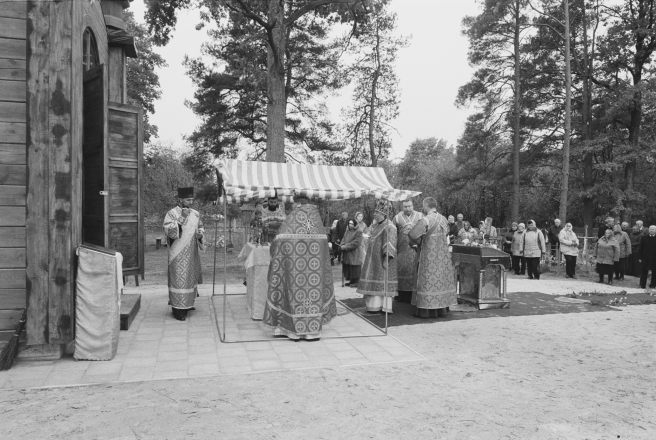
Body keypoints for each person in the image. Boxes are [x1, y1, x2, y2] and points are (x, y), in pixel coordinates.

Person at [262, 195, 336, 339]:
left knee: (292, 293)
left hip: (293, 268)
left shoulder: (293, 219)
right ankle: (312, 331)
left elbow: (278, 240)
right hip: (314, 272)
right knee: (312, 295)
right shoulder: (317, 221)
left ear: (298, 202)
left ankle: (290, 330)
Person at [409, 197, 457, 319]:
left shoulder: (425, 220)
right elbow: (446, 234)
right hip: (442, 257)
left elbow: (413, 235)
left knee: (427, 281)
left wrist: (417, 242)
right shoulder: (444, 219)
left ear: (426, 206)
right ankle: (442, 309)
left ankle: (426, 311)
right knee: (440, 281)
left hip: (428, 257)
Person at [163, 187, 205, 321]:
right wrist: (182, 218)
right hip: (177, 253)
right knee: (179, 279)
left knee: (189, 279)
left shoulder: (196, 214)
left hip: (191, 252)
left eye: (192, 199)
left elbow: (200, 227)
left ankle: (188, 303)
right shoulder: (171, 213)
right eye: (188, 199)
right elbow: (169, 231)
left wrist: (200, 235)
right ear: (180, 199)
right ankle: (178, 309)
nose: (190, 202)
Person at [357, 200, 398, 313]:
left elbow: (390, 243)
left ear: (383, 214)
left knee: (382, 282)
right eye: (375, 212)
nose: (374, 214)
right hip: (373, 260)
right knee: (374, 281)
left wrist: (386, 259)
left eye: (377, 212)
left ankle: (383, 306)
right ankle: (373, 306)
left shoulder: (390, 226)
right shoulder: (376, 225)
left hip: (383, 260)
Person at [392, 199, 423, 303]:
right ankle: (401, 295)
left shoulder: (420, 216)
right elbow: (392, 235)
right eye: (405, 206)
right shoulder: (397, 218)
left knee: (415, 272)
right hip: (402, 251)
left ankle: (414, 296)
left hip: (416, 251)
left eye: (409, 206)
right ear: (402, 207)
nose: (407, 208)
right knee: (402, 271)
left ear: (413, 205)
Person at [340, 218, 364, 287]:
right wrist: (342, 244)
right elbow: (344, 238)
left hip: (355, 252)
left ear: (355, 224)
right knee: (349, 267)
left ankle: (357, 282)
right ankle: (351, 281)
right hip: (348, 253)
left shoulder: (359, 231)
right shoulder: (347, 230)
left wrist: (345, 247)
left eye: (352, 224)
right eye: (349, 223)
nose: (350, 225)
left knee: (355, 266)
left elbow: (356, 242)